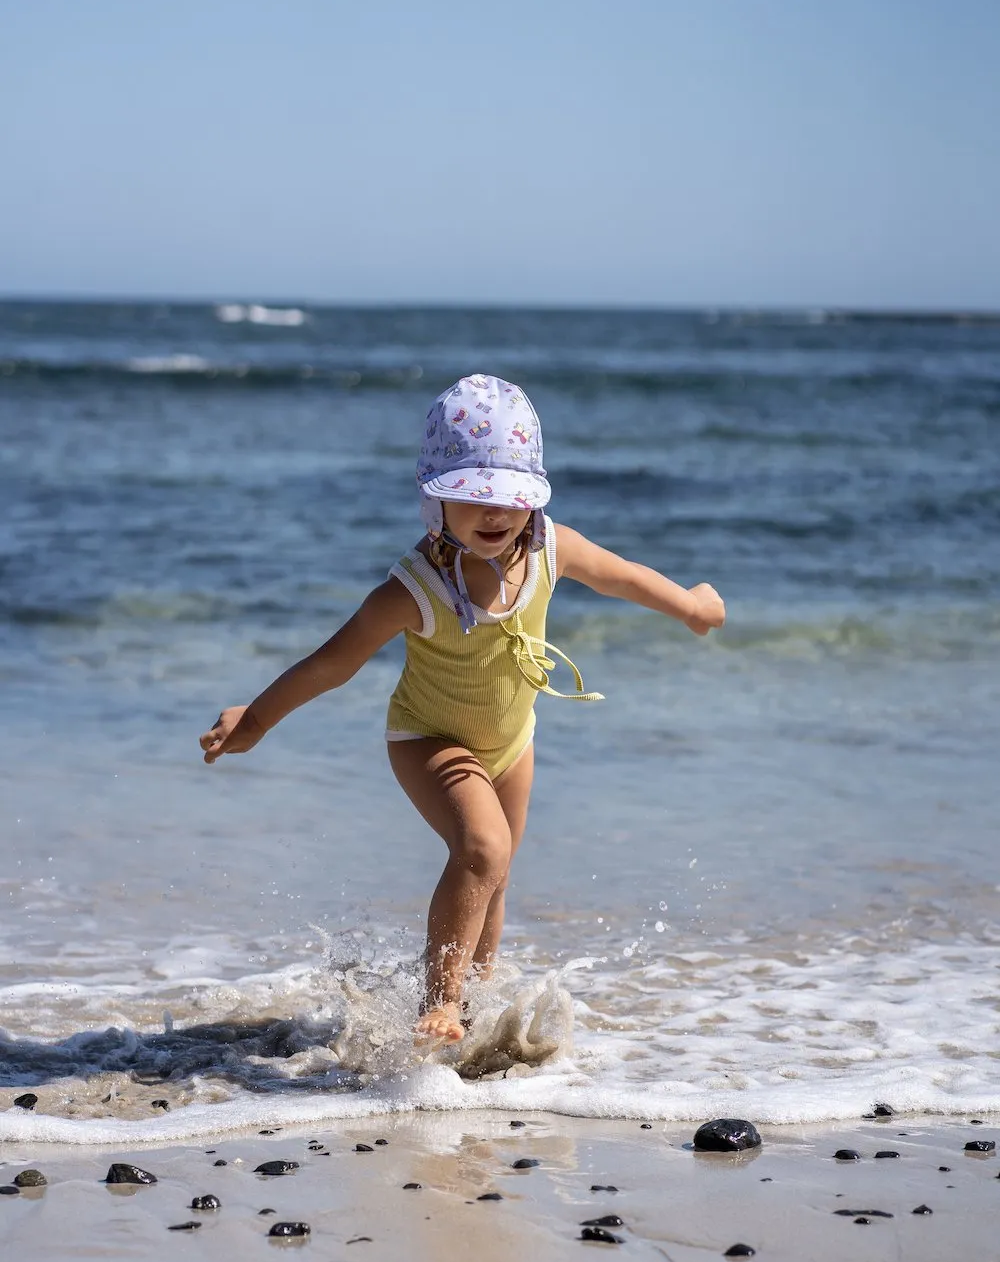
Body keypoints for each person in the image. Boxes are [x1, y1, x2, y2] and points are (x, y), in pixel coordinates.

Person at [200, 375, 725, 1044]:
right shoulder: (414, 588)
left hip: (512, 740)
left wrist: (689, 606)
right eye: (473, 497)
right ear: (434, 498)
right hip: (429, 737)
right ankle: (440, 1001)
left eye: (509, 497)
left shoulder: (549, 549)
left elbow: (619, 574)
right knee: (481, 848)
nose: (495, 513)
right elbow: (335, 662)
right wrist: (258, 718)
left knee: (494, 875)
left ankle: (471, 1015)